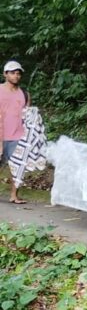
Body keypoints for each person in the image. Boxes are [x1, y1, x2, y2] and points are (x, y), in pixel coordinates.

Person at [0, 60, 28, 204]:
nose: (16, 76)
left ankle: (14, 196)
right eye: (12, 73)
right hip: (1, 135)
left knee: (18, 167)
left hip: (18, 135)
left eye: (18, 73)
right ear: (5, 74)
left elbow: (27, 115)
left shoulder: (24, 94)